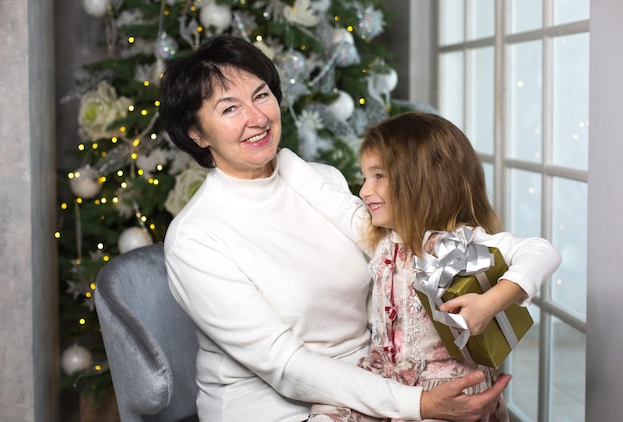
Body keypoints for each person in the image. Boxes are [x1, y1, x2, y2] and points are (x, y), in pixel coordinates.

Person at [159, 34, 533, 421]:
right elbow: (285, 365)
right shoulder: (195, 238)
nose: (256, 118)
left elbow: (405, 261)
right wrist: (418, 405)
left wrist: (464, 377)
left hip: (377, 378)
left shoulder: (320, 182)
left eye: (261, 95)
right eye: (229, 108)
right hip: (276, 407)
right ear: (197, 134)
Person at [284, 112, 562, 422]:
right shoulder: (380, 237)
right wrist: (277, 158)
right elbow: (325, 197)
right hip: (386, 377)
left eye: (378, 176)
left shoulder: (459, 243)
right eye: (364, 177)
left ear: (421, 179)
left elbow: (542, 252)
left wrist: (488, 304)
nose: (364, 190)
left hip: (447, 385)